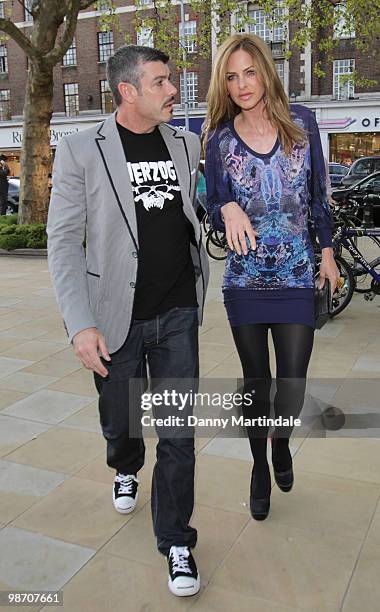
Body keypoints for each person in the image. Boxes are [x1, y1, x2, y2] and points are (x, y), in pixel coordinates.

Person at [47, 44, 209, 597]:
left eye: (172, 80)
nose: (172, 91)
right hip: (114, 317)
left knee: (180, 435)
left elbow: (197, 211)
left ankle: (177, 541)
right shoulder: (79, 151)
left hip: (179, 313)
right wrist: (79, 324)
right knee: (120, 421)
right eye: (162, 82)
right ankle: (123, 462)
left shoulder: (186, 144)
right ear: (128, 91)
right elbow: (64, 243)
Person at [204, 34, 339, 521]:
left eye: (249, 72)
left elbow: (319, 193)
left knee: (293, 386)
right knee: (257, 384)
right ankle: (260, 465)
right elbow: (213, 205)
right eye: (232, 76)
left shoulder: (302, 124)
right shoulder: (219, 138)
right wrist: (226, 206)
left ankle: (280, 442)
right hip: (245, 280)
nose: (241, 84)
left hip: (298, 273)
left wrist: (327, 252)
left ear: (266, 71)